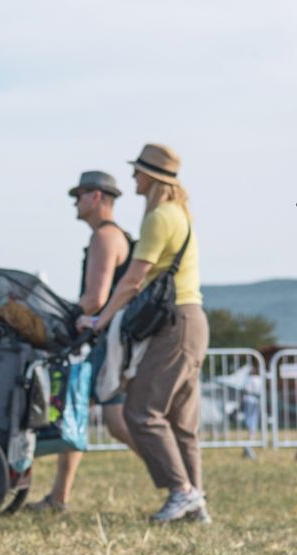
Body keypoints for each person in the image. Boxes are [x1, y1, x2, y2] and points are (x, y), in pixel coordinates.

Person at [80, 144, 210, 523]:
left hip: (175, 324)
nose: (133, 178)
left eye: (137, 172)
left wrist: (100, 320)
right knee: (181, 422)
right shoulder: (179, 214)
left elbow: (134, 279)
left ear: (151, 178)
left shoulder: (159, 218)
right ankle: (195, 502)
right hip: (192, 320)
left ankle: (182, 492)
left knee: (142, 411)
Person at [29, 171, 137, 512]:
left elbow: (94, 298)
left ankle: (180, 485)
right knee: (79, 413)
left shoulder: (105, 237)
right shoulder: (113, 236)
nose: (75, 202)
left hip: (108, 341)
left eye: (79, 195)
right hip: (113, 339)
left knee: (116, 422)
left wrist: (63, 316)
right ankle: (59, 497)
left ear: (96, 197)